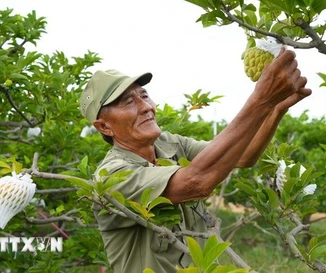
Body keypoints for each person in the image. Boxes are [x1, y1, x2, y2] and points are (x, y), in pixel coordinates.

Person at [79, 48, 311, 273]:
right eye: (129, 102)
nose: (146, 107)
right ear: (104, 126)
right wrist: (261, 99)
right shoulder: (111, 177)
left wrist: (275, 107)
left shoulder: (170, 144)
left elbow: (242, 155)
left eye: (144, 95)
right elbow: (196, 182)